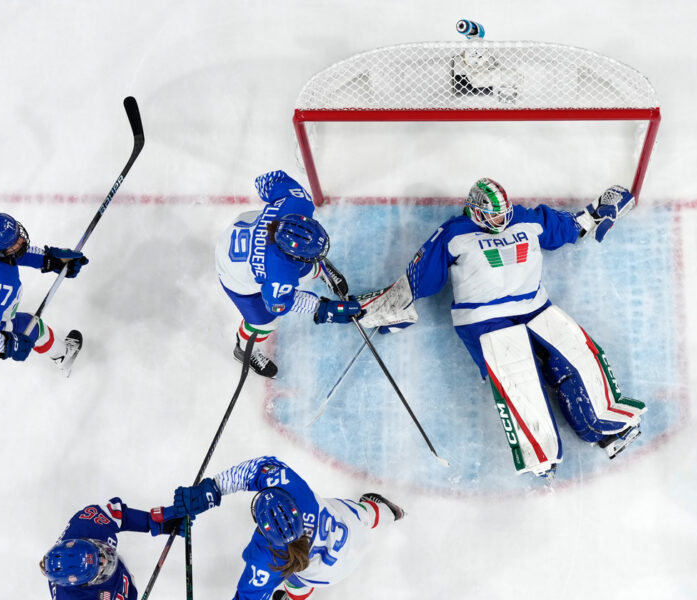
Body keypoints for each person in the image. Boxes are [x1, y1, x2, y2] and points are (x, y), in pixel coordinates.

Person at [355, 178, 647, 478]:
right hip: (483, 319)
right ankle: (540, 453)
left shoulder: (525, 218)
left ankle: (605, 424)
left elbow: (568, 227)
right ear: (474, 212)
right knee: (518, 379)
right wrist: (392, 307)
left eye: (503, 213)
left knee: (578, 354)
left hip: (536, 306)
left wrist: (600, 210)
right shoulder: (454, 233)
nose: (500, 220)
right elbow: (421, 275)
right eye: (493, 216)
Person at [166, 455, 405, 600]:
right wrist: (214, 488)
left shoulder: (267, 559)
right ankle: (390, 513)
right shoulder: (299, 494)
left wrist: (212, 489)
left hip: (325, 576)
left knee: (296, 579)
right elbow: (260, 469)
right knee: (362, 513)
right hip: (350, 531)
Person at [215, 170, 364, 378]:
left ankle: (318, 268)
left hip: (239, 231)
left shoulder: (298, 202)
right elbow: (282, 303)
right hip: (234, 274)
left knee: (301, 267)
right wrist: (322, 308)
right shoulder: (279, 274)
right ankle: (242, 350)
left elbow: (269, 180)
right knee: (266, 321)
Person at [0, 212, 86, 375]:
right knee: (31, 326)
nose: (21, 240)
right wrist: (7, 344)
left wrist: (50, 260)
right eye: (13, 241)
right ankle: (65, 356)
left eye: (17, 235)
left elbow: (9, 254)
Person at [40, 497, 184, 599]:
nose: (105, 559)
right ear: (85, 582)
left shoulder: (85, 525)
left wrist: (158, 522)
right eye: (100, 565)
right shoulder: (72, 598)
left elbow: (120, 516)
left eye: (98, 551)